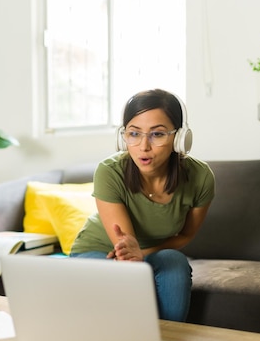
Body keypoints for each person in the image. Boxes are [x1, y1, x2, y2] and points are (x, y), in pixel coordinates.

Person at [70, 89, 215, 322]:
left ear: (179, 138)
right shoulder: (109, 171)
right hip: (102, 251)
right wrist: (134, 255)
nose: (143, 146)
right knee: (117, 278)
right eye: (134, 133)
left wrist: (144, 254)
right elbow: (125, 248)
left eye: (157, 134)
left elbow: (186, 234)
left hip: (147, 253)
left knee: (175, 263)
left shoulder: (200, 177)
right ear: (123, 136)